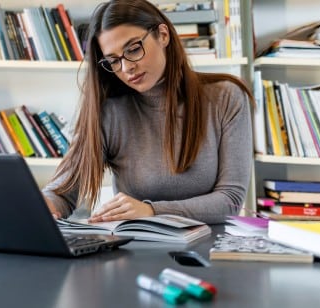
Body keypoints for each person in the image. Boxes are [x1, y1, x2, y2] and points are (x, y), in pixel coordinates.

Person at [42, 0, 254, 224]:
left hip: (209, 247)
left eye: (133, 49)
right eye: (113, 60)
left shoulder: (226, 97)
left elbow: (230, 201)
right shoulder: (110, 111)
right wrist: (44, 204)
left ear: (163, 35)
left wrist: (152, 211)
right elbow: (62, 192)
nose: (126, 68)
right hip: (135, 248)